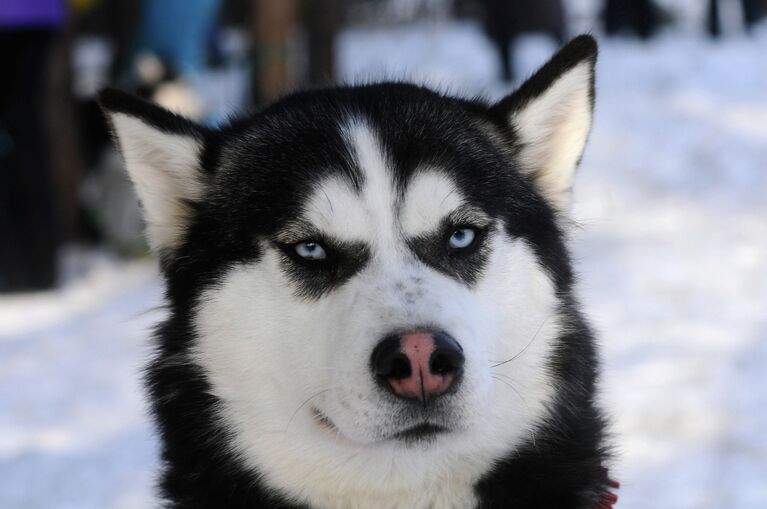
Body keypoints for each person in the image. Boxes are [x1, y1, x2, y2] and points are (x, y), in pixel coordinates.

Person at [0, 0, 67, 291]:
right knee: (28, 133)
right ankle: (41, 268)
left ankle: (17, 270)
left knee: (12, 141)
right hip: (41, 14)